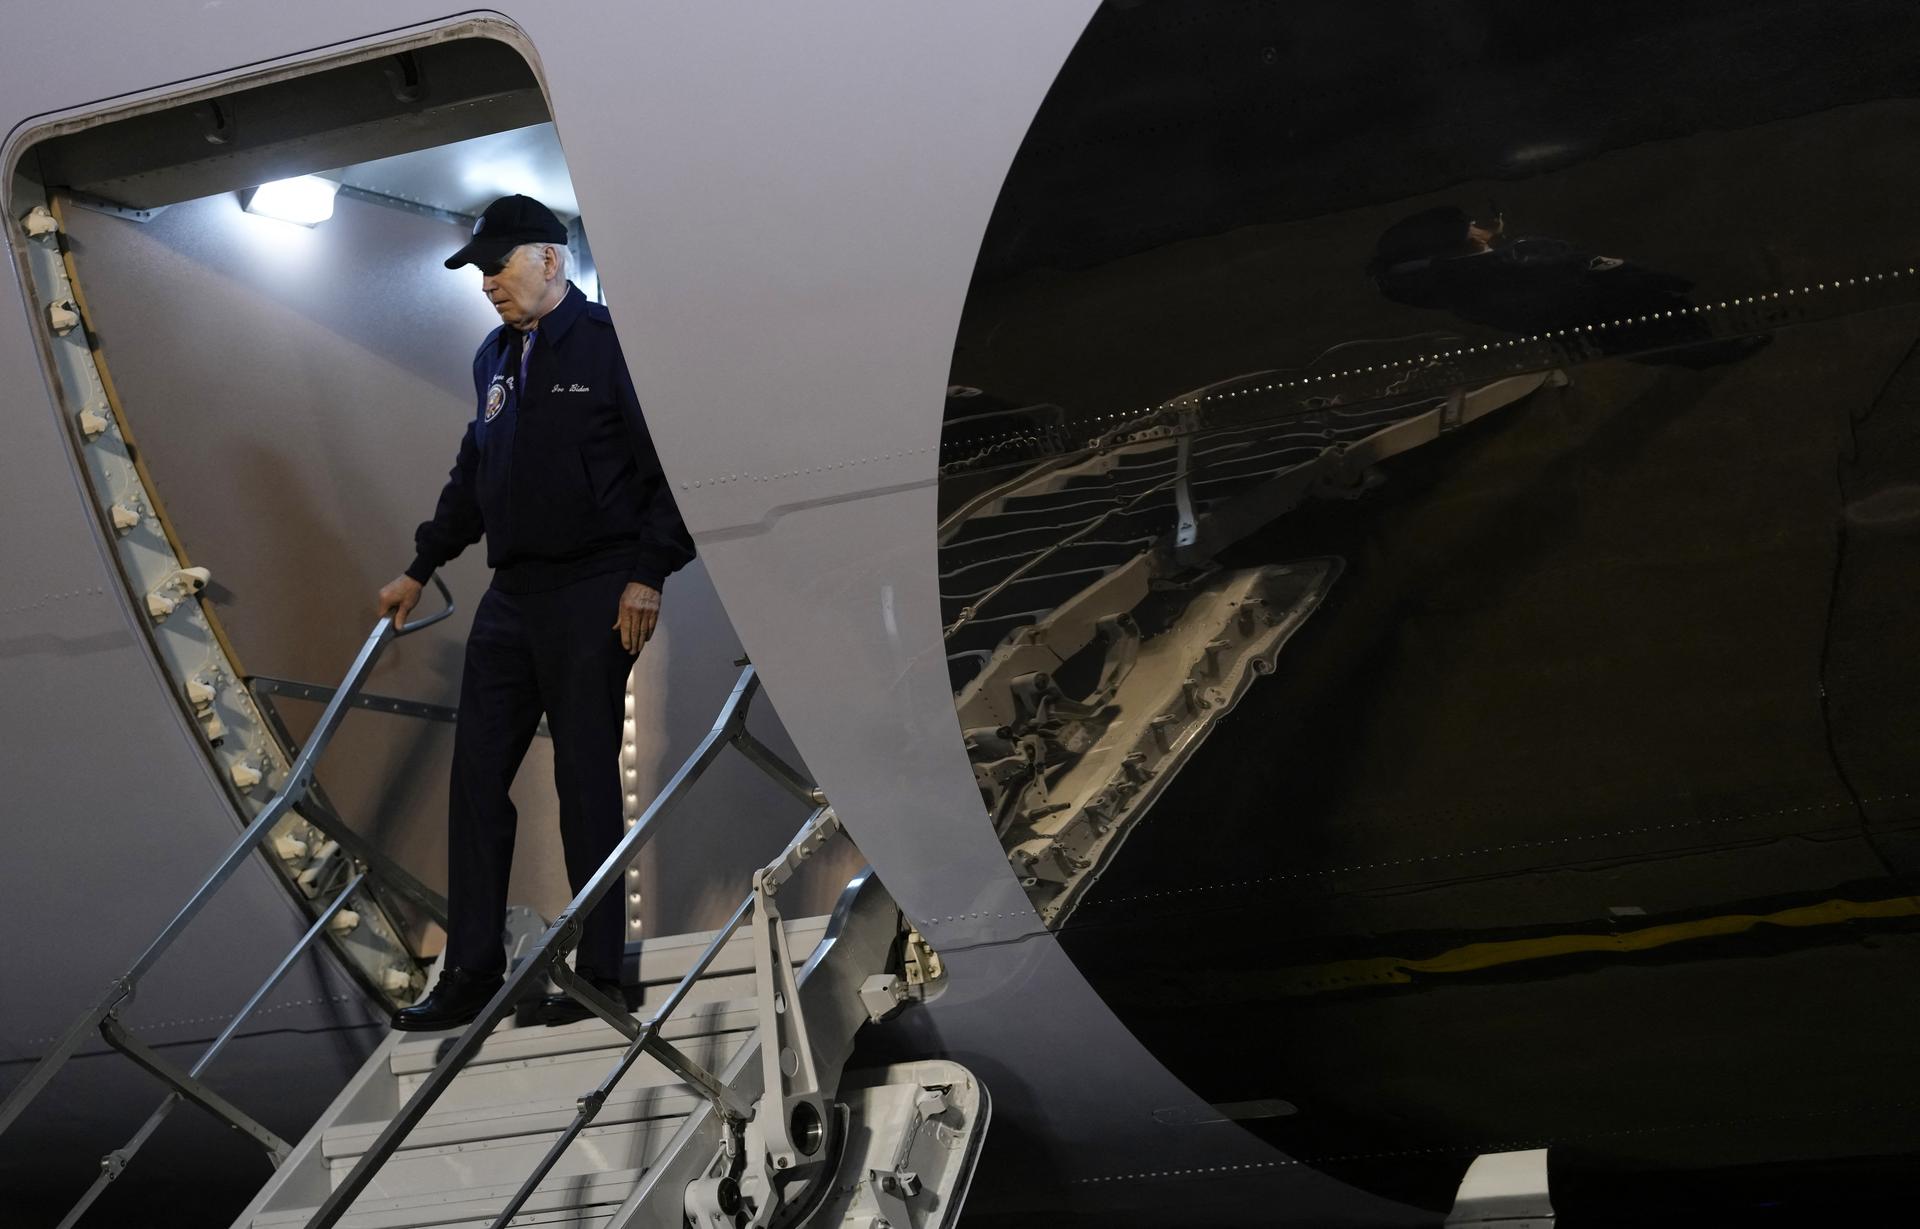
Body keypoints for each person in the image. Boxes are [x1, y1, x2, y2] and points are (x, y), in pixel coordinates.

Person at [378, 194, 694, 1031]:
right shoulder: (494, 359)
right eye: (480, 270)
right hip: (512, 595)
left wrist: (648, 571)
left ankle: (600, 976)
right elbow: (471, 477)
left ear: (549, 260)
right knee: (477, 776)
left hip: (597, 588)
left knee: (584, 778)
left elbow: (671, 466)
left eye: (497, 266)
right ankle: (471, 970)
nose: (486, 283)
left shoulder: (613, 343)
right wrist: (421, 565)